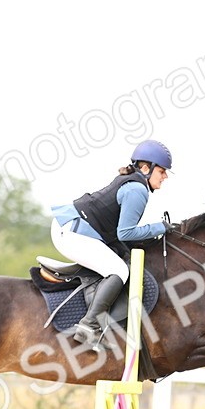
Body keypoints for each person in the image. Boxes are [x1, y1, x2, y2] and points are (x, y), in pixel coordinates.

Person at [50, 139, 173, 347]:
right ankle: (89, 325)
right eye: (162, 171)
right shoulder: (137, 190)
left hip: (77, 228)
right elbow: (125, 233)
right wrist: (161, 227)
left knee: (120, 263)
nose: (165, 176)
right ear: (146, 168)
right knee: (119, 271)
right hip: (73, 232)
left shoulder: (135, 184)